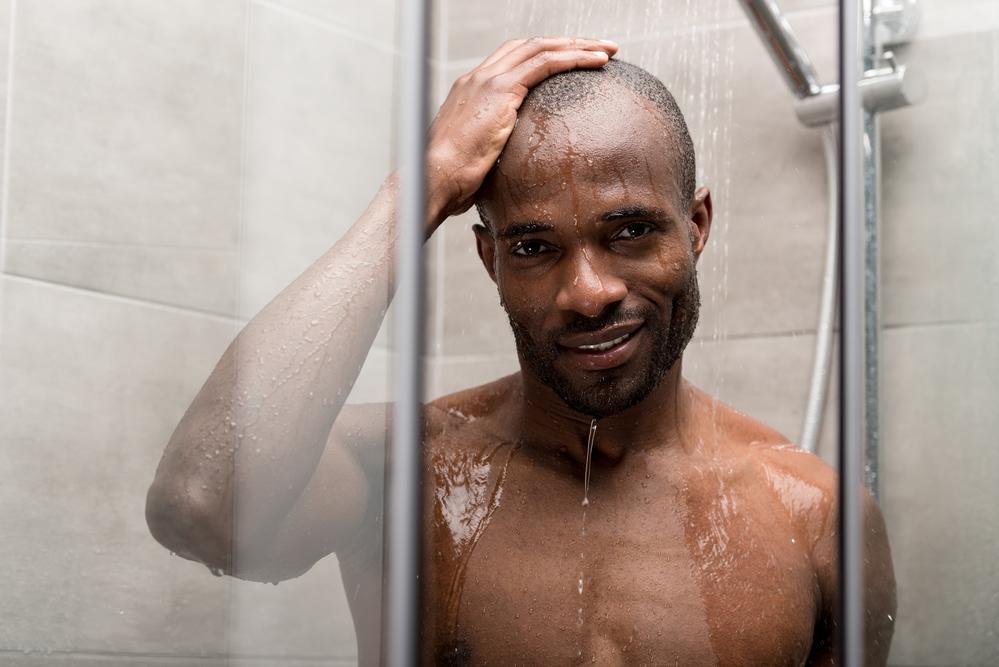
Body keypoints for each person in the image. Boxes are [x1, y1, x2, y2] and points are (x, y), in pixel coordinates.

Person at [146, 38, 896, 665]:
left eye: (631, 231)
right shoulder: (405, 474)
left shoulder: (815, 517)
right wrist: (422, 186)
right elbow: (198, 504)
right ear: (489, 258)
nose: (588, 292)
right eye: (534, 247)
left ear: (695, 226)